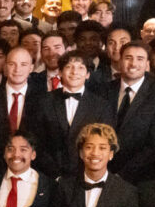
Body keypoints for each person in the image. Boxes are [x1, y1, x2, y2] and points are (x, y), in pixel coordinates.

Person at [30, 52, 112, 181]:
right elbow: (36, 142)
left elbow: (104, 144)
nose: (74, 72)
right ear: (61, 72)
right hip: (49, 176)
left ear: (87, 74)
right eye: (69, 67)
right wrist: (54, 174)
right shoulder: (44, 102)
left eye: (80, 67)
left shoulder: (102, 106)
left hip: (87, 176)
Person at [106, 42, 155, 184]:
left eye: (140, 59)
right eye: (128, 58)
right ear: (120, 61)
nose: (133, 63)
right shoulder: (103, 91)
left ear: (147, 64)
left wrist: (122, 175)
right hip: (100, 172)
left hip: (139, 179)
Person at [0, 46, 45, 170]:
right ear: (5, 68)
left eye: (23, 64)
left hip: (34, 170)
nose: (17, 69)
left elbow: (45, 140)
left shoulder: (44, 100)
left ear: (31, 68)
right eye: (12, 64)